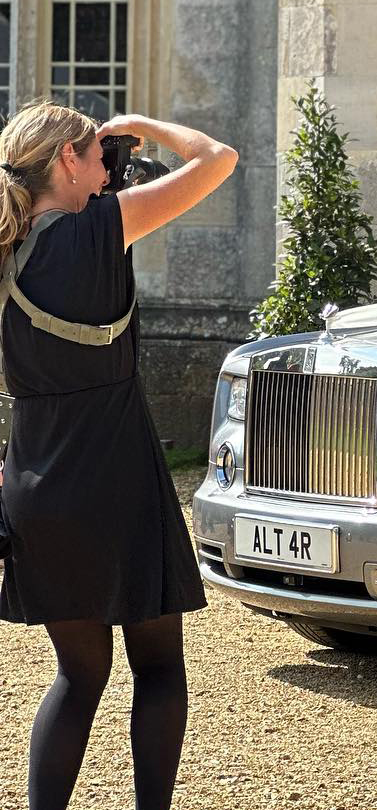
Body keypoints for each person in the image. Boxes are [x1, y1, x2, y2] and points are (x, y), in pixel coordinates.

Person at [0, 100, 237, 807]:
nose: (107, 169)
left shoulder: (7, 249)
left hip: (37, 484)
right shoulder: (102, 229)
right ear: (68, 160)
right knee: (158, 666)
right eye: (97, 154)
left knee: (78, 675)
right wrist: (149, 124)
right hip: (119, 477)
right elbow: (218, 159)